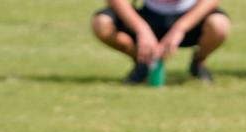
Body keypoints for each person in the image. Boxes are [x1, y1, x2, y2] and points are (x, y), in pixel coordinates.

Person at [92, 0, 229, 84]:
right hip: (148, 15)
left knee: (219, 24)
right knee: (101, 23)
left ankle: (199, 62)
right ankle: (143, 61)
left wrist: (180, 28)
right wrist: (141, 29)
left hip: (190, 16)